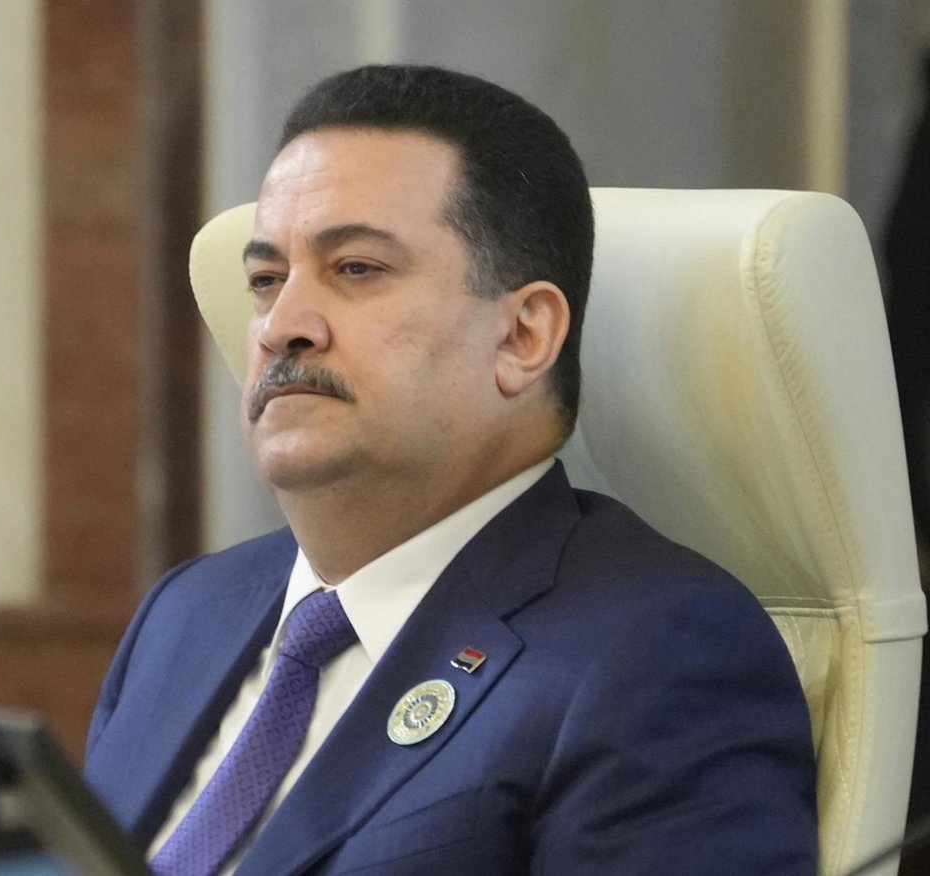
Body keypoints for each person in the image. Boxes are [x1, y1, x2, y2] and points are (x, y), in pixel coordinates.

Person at [84, 64, 817, 875]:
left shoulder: (660, 656)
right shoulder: (187, 615)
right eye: (265, 280)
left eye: (356, 269)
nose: (281, 325)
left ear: (524, 336)